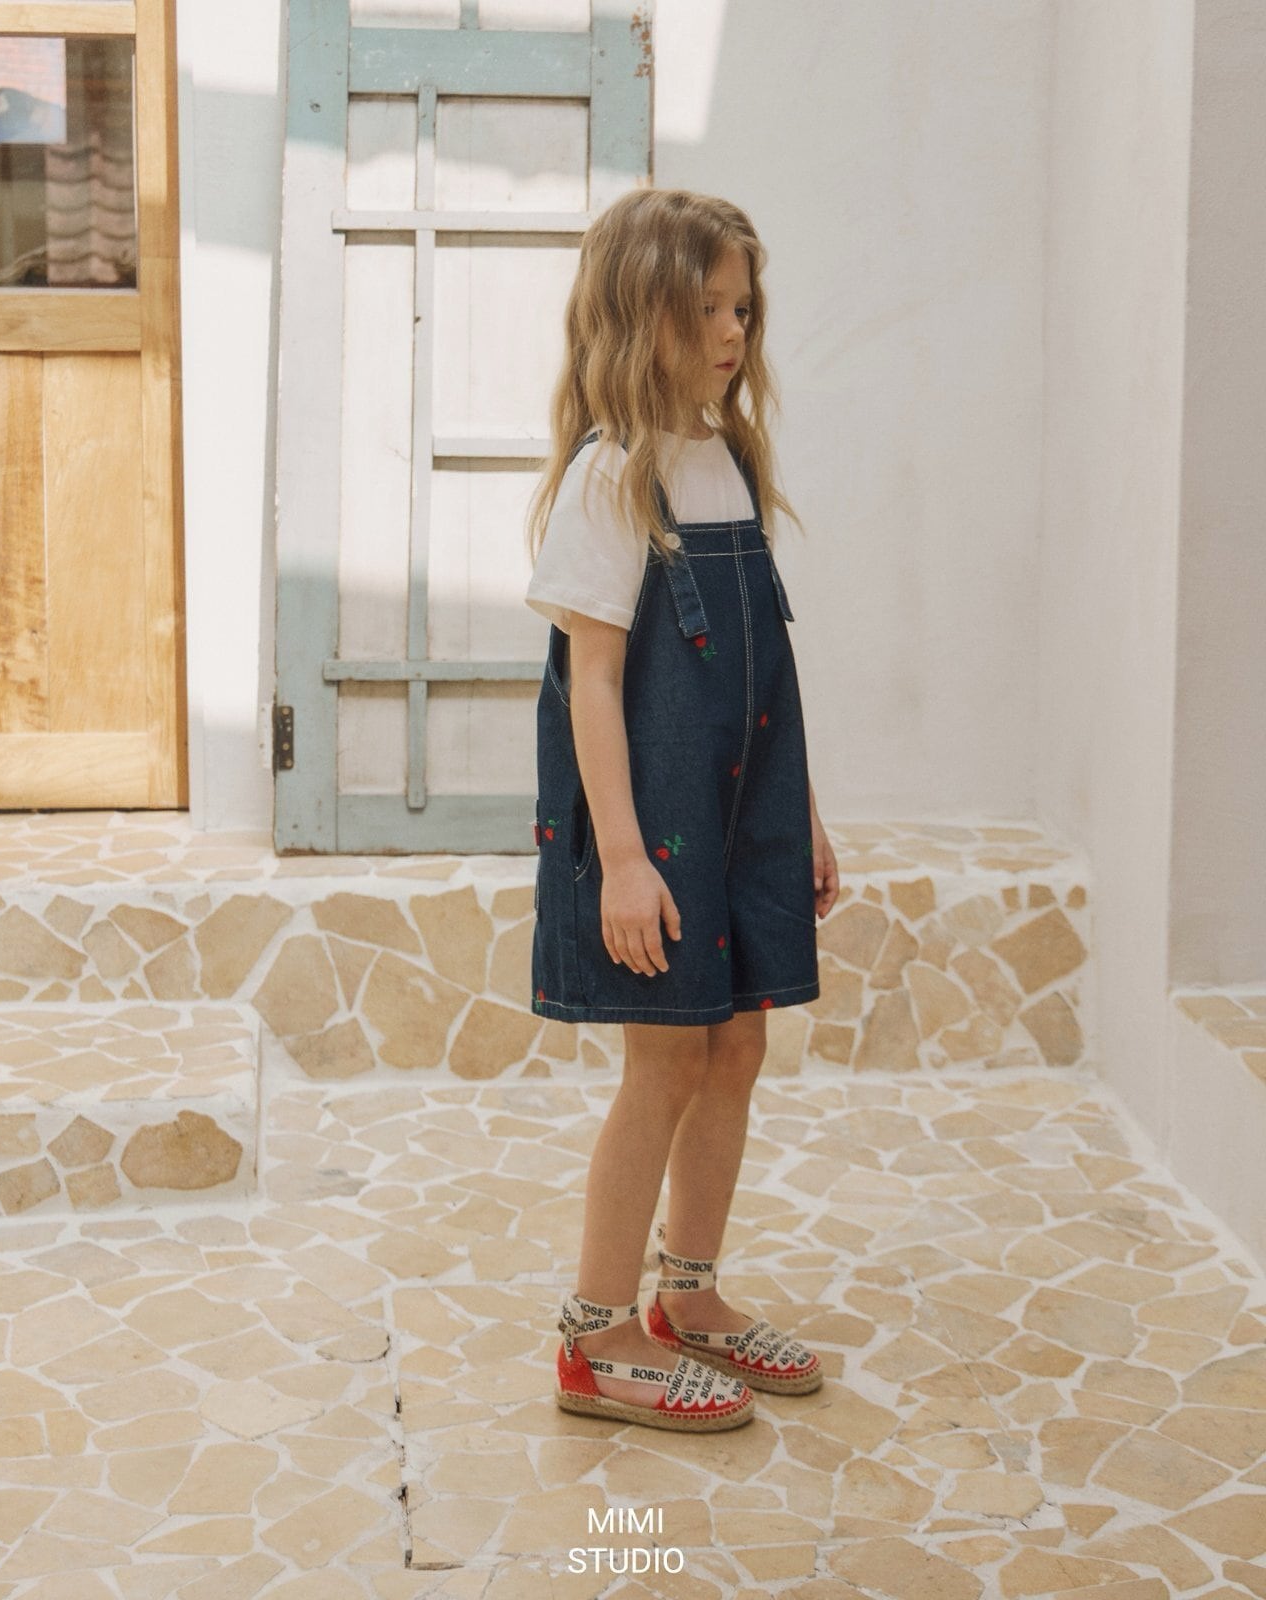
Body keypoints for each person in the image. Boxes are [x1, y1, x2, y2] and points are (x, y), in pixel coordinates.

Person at [524, 188, 840, 1432]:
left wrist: (802, 816)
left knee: (737, 1045)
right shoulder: (612, 475)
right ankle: (594, 1337)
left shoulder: (726, 456)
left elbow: (766, 672)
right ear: (634, 312)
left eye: (740, 307)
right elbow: (594, 684)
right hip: (650, 829)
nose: (729, 330)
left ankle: (687, 1295)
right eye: (703, 307)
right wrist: (619, 859)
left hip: (744, 810)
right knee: (663, 1058)